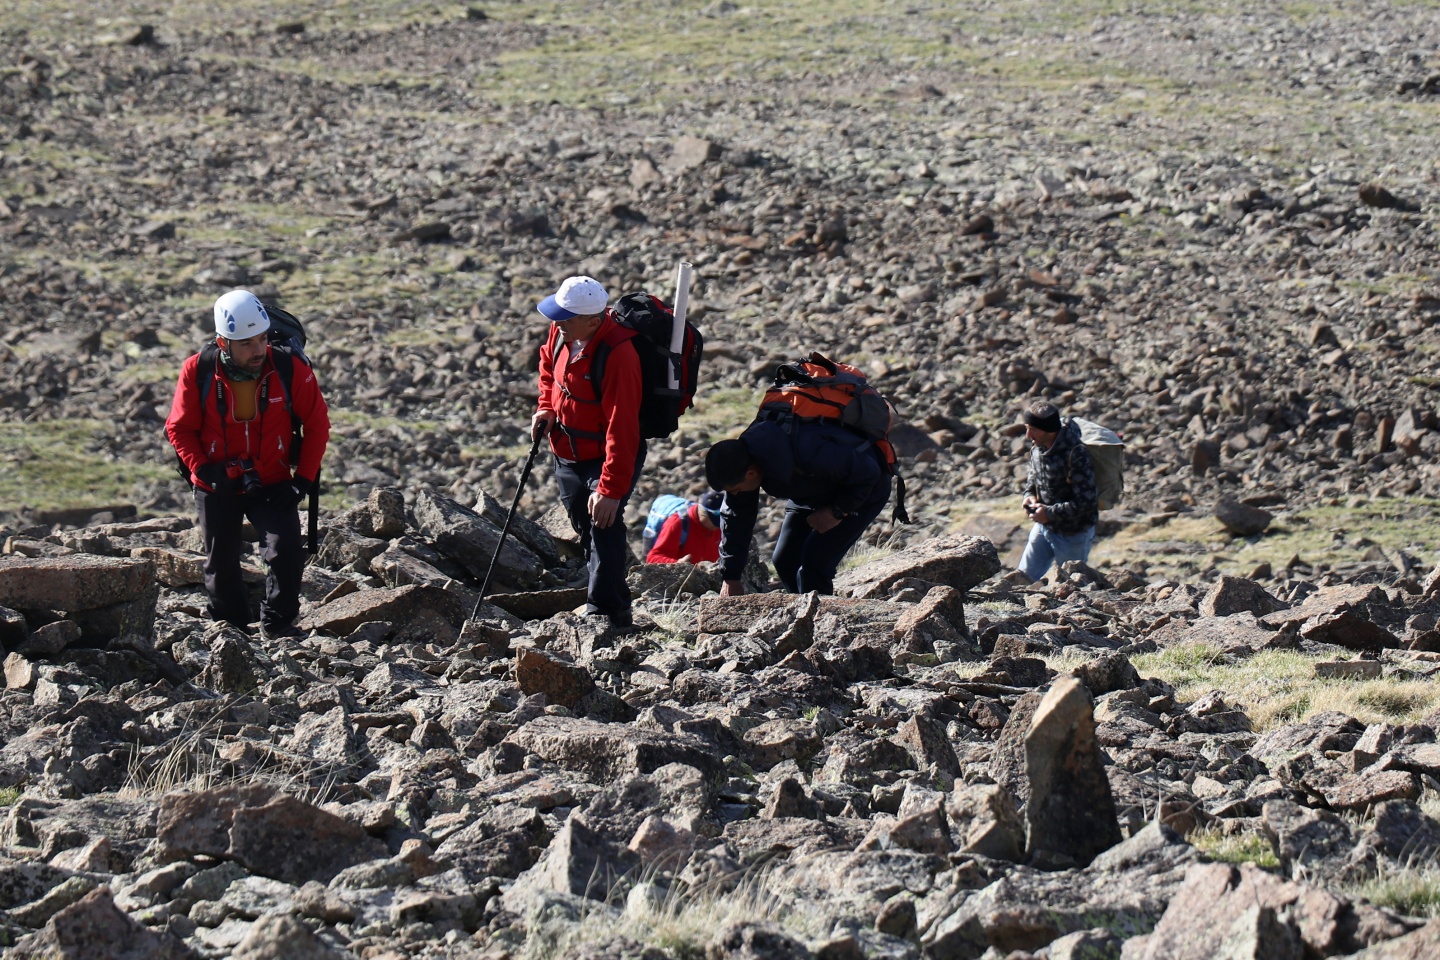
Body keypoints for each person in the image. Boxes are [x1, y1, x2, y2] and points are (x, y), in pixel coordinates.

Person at [165, 290, 330, 640]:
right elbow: (178, 427)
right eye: (246, 343)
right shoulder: (197, 370)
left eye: (261, 339)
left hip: (272, 480)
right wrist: (202, 469)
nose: (258, 350)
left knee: (285, 552)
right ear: (223, 342)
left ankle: (278, 626)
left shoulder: (288, 367)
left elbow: (317, 425)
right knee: (220, 565)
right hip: (216, 482)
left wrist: (301, 481)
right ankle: (231, 632)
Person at [531, 276, 645, 632]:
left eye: (566, 317)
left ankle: (603, 613)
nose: (557, 322)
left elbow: (622, 428)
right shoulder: (563, 331)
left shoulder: (620, 357)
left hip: (604, 456)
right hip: (566, 450)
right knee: (584, 525)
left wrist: (610, 489)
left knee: (604, 524)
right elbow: (549, 370)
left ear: (594, 321)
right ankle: (616, 604)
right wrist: (546, 408)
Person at [704, 419, 892, 596]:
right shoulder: (744, 466)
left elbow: (868, 472)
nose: (735, 494)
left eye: (735, 490)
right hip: (811, 489)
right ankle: (801, 615)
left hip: (864, 489)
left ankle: (821, 623)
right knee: (785, 561)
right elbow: (736, 518)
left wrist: (837, 511)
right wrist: (731, 577)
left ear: (751, 473)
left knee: (814, 565)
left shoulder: (807, 449)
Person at [1016, 402, 1098, 582]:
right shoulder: (1039, 447)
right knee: (1022, 579)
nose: (1028, 435)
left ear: (1048, 430)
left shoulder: (1076, 454)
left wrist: (1049, 513)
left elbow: (1086, 503)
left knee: (1071, 585)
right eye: (1027, 428)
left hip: (1073, 535)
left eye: (1033, 430)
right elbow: (1034, 476)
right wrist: (1029, 495)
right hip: (1043, 527)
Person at [645, 490, 723, 564]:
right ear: (701, 512)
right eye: (714, 522)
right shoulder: (677, 524)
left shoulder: (725, 525)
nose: (717, 527)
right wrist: (678, 564)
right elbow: (653, 558)